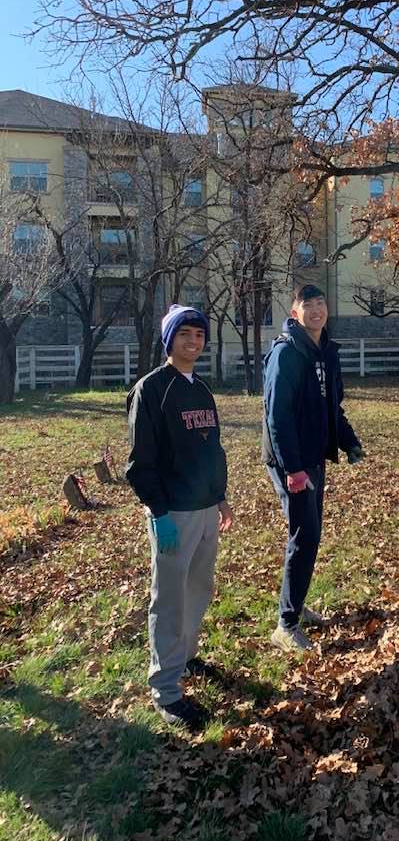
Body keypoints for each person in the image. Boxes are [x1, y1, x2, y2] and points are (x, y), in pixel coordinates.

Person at [126, 304, 233, 729]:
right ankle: (166, 691)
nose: (193, 341)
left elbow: (212, 450)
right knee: (169, 600)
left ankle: (186, 659)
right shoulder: (152, 390)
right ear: (169, 340)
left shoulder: (201, 389)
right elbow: (139, 462)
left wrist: (220, 497)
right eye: (184, 334)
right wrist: (157, 511)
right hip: (173, 514)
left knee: (198, 589)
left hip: (206, 511)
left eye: (199, 335)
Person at [262, 284, 364, 653]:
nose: (317, 309)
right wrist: (293, 469)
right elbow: (277, 417)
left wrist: (348, 440)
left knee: (308, 534)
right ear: (295, 313)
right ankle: (285, 625)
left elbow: (331, 407)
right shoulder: (286, 354)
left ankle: (296, 603)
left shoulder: (326, 352)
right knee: (305, 535)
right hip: (292, 462)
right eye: (308, 304)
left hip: (313, 459)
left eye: (322, 302)